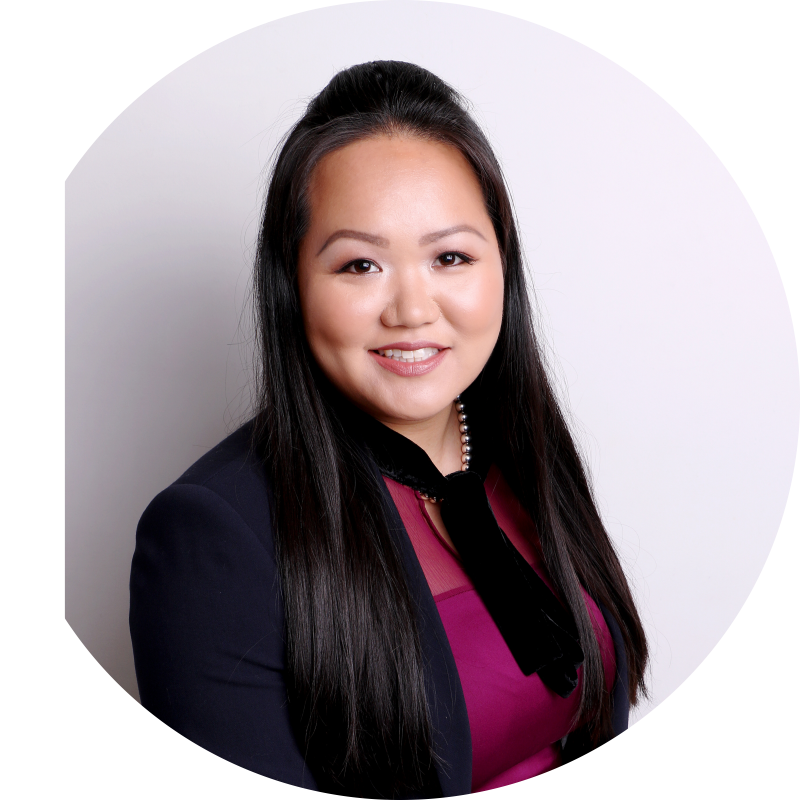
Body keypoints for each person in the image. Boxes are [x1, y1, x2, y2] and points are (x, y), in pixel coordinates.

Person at [130, 61, 648, 800]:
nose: (411, 309)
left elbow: (595, 757)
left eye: (450, 257)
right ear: (292, 283)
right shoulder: (214, 537)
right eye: (360, 265)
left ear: (503, 266)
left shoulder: (521, 446)